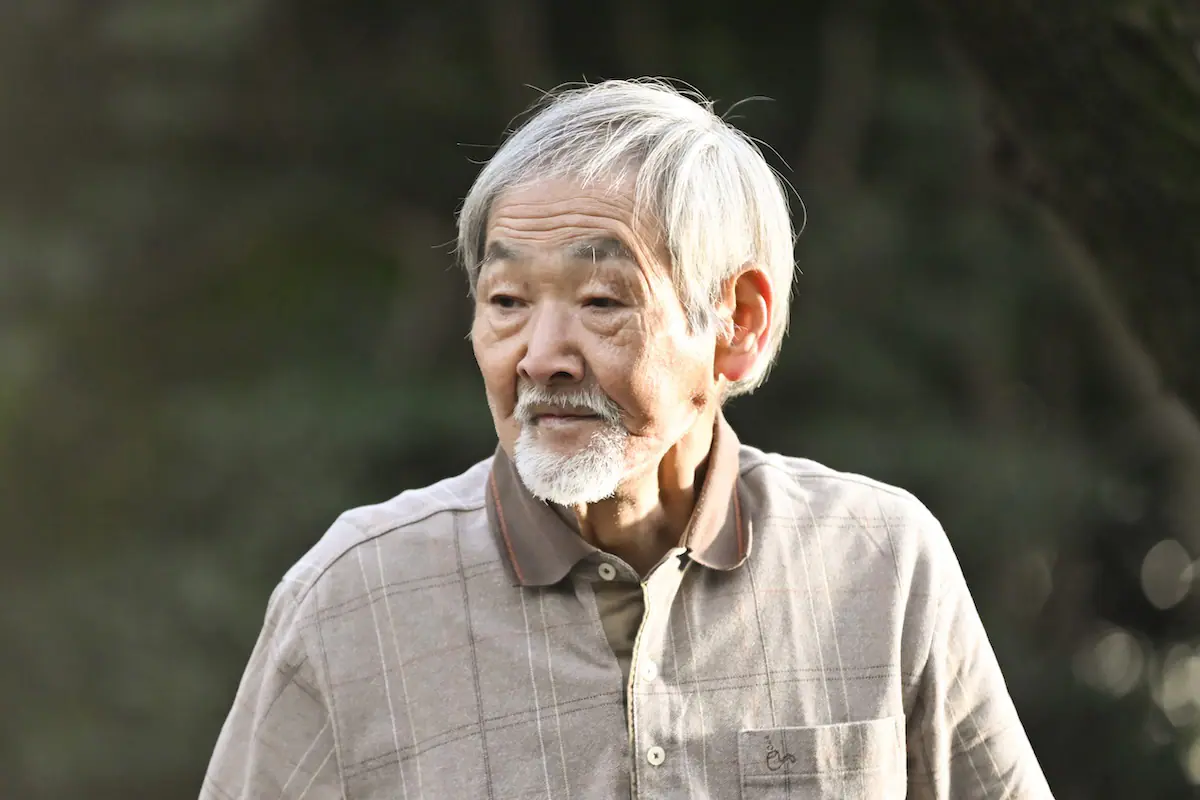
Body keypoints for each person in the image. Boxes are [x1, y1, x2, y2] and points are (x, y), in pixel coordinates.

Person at [200, 78, 1053, 799]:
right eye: (506, 302)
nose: (540, 357)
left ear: (738, 322)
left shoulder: (878, 563)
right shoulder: (354, 599)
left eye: (601, 301)